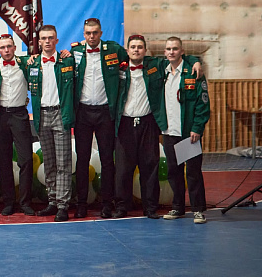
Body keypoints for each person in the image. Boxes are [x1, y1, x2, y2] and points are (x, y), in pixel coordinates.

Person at [70, 18, 128, 219]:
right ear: (83, 34)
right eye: (88, 33)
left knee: (107, 160)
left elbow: (137, 59)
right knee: (82, 160)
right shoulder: (75, 52)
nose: (92, 36)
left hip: (105, 113)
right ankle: (81, 204)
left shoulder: (113, 50)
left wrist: (192, 61)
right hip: (83, 113)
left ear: (101, 33)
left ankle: (107, 203)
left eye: (95, 32)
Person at [113, 34, 169, 219]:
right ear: (127, 50)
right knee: (123, 169)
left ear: (145, 50)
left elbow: (176, 58)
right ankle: (122, 206)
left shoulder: (155, 66)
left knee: (149, 166)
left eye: (139, 47)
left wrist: (194, 61)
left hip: (147, 123)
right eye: (133, 47)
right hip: (125, 123)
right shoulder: (119, 69)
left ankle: (150, 207)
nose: (136, 50)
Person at [27, 26, 75, 222]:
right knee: (49, 161)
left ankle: (63, 205)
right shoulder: (32, 63)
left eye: (51, 38)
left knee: (63, 162)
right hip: (41, 115)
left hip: (60, 113)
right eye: (44, 38)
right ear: (39, 42)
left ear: (57, 40)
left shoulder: (68, 60)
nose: (47, 41)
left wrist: (74, 48)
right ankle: (52, 200)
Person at [161, 37, 210, 224]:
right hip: (169, 132)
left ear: (182, 51)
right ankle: (178, 207)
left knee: (193, 173)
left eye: (175, 49)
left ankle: (198, 210)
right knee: (174, 172)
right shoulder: (162, 71)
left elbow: (203, 104)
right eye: (168, 49)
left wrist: (197, 128)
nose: (171, 52)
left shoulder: (193, 72)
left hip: (188, 132)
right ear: (164, 52)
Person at [0, 34, 34, 216]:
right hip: (0, 116)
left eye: (9, 46)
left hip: (19, 115)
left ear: (15, 48)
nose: (6, 50)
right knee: (3, 160)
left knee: (26, 159)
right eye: (3, 47)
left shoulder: (26, 63)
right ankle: (8, 202)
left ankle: (25, 202)